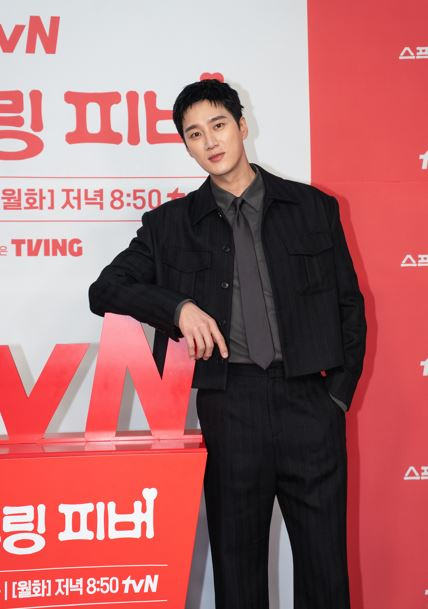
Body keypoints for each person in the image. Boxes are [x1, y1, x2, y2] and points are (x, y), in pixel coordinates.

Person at [89, 78, 366, 609]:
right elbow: (104, 290)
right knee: (236, 576)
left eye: (218, 125)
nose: (210, 141)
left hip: (310, 403)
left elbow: (350, 307)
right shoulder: (170, 226)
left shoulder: (313, 208)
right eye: (195, 134)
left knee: (326, 574)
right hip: (229, 405)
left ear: (241, 126)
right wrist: (177, 307)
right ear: (187, 146)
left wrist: (335, 397)